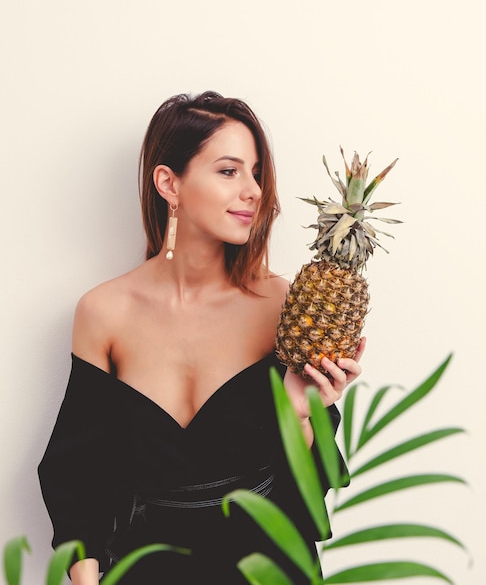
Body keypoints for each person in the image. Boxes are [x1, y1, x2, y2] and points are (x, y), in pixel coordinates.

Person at [38, 91, 364, 585]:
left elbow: (306, 495)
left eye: (256, 172)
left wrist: (302, 414)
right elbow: (78, 477)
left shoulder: (286, 307)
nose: (254, 190)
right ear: (169, 182)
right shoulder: (104, 312)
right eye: (229, 171)